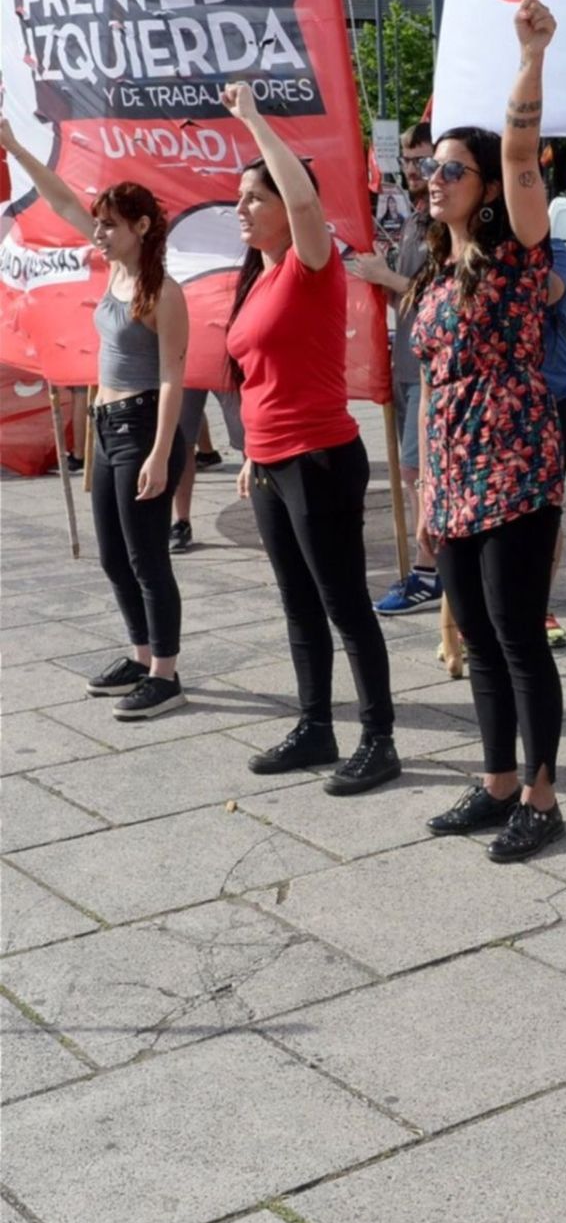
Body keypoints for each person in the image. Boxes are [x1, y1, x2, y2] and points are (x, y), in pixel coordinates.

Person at [416, 0, 566, 863]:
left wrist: (530, 57)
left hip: (514, 467)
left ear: (485, 184)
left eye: (449, 169)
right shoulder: (440, 269)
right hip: (457, 474)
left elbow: (519, 149)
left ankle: (544, 797)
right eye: (429, 170)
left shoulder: (517, 247)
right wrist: (432, 488)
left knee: (517, 638)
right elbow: (436, 388)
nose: (433, 180)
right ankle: (499, 782)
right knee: (474, 636)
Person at [222, 83, 400, 795]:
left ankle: (379, 736)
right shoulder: (258, 281)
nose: (241, 209)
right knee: (297, 602)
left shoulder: (311, 264)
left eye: (252, 198)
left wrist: (253, 120)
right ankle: (314, 723)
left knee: (343, 602)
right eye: (239, 199)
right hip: (269, 462)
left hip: (320, 458)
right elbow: (258, 378)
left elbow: (303, 203)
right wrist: (250, 455)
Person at [1, 117, 189, 719]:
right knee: (113, 555)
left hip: (143, 427)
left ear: (140, 227)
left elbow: (171, 376)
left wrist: (161, 455)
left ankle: (166, 672)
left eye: (111, 224)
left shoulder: (163, 291)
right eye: (99, 223)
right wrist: (14, 147)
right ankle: (139, 654)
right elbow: (59, 199)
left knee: (146, 558)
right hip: (106, 428)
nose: (100, 233)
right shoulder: (113, 265)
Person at [351, 121, 443, 615]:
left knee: (417, 473)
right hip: (405, 365)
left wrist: (385, 274)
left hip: (428, 370)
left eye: (424, 161)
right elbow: (404, 299)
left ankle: (428, 571)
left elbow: (436, 297)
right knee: (413, 474)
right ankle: (433, 565)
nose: (414, 170)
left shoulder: (445, 224)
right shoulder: (414, 221)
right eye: (408, 161)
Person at [542, 226, 566, 648]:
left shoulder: (554, 250)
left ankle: (540, 604)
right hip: (495, 401)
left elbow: (547, 291)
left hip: (552, 394)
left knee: (548, 508)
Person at [169, 387, 244, 552]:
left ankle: (264, 516)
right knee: (182, 439)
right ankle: (182, 522)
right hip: (188, 367)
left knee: (248, 435)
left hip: (229, 365)